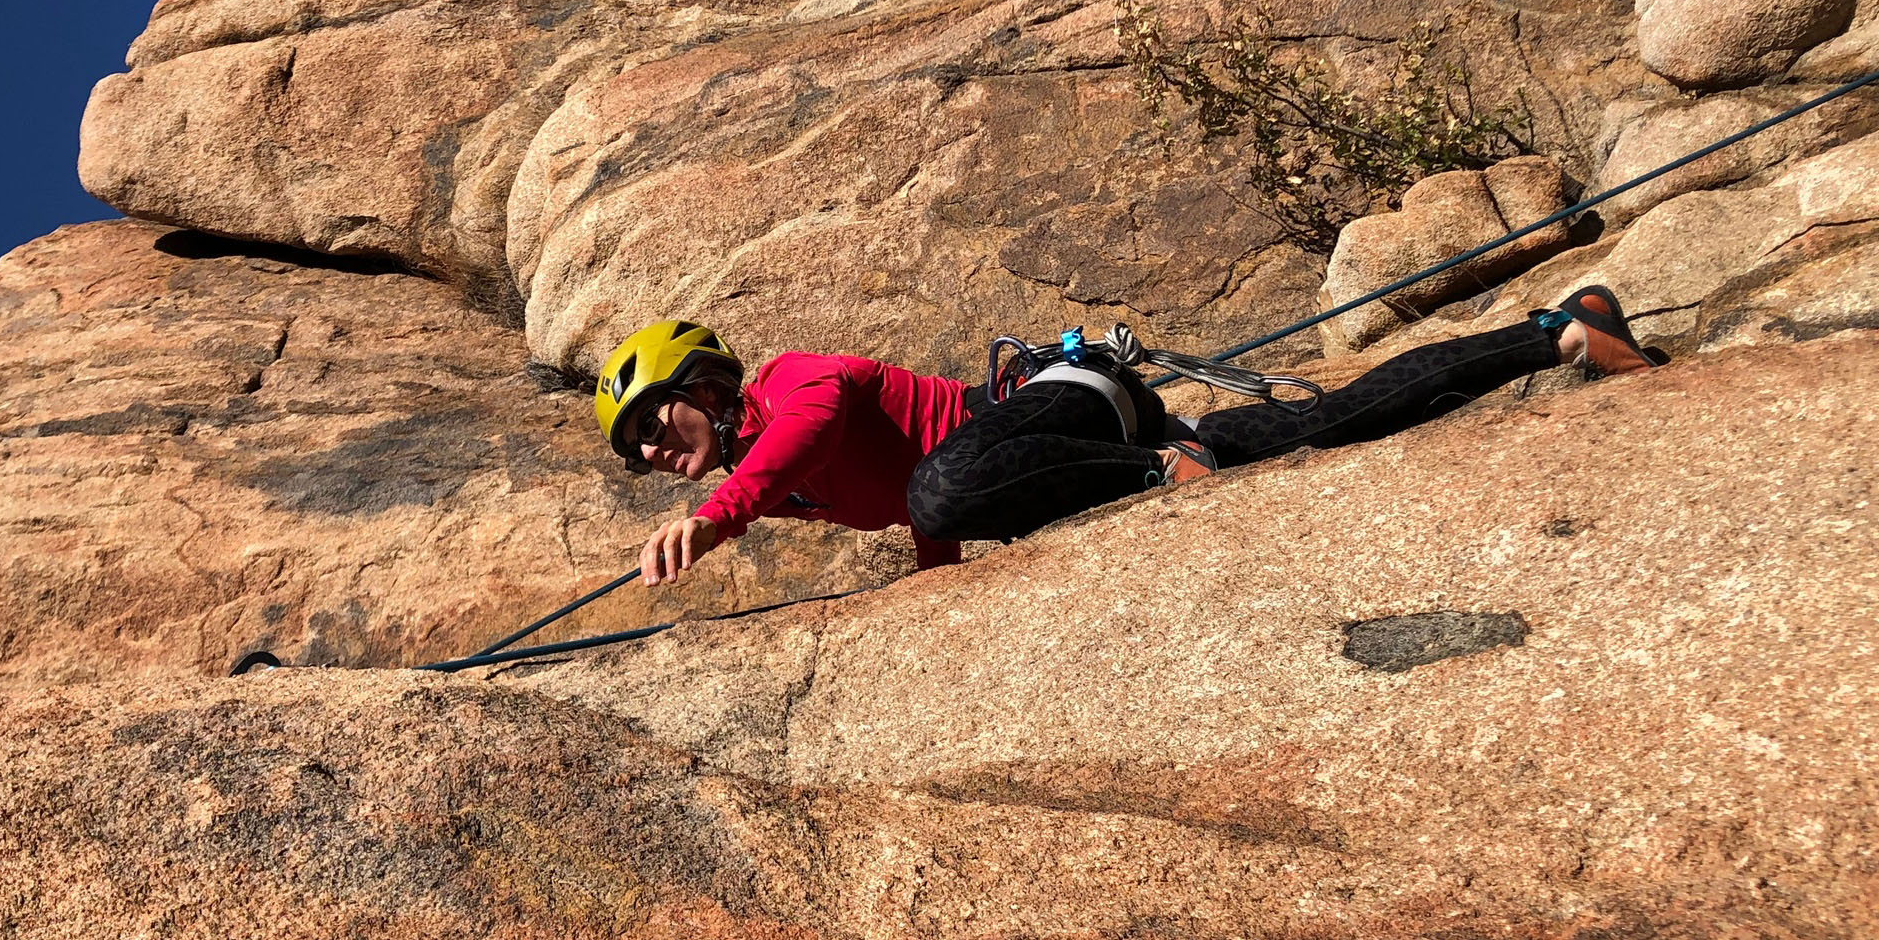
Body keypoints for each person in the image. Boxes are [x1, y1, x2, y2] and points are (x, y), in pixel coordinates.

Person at [594, 293, 1664, 586]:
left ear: (707, 384)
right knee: (1321, 423)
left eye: (655, 421)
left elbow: (891, 457)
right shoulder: (783, 485)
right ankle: (1554, 333)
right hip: (1079, 463)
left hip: (1064, 405)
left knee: (938, 490)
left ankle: (1163, 468)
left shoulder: (787, 387)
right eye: (635, 448)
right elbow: (936, 506)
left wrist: (718, 514)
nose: (652, 450)